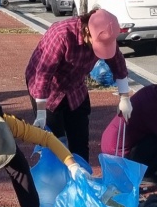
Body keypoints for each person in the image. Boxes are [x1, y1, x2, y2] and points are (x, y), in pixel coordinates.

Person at [25, 8, 130, 163]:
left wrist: (124, 98)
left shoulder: (106, 34)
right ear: (87, 31)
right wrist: (41, 113)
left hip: (75, 87)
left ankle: (82, 178)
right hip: (49, 89)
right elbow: (43, 74)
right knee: (55, 142)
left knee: (80, 140)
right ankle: (57, 181)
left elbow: (118, 64)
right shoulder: (62, 35)